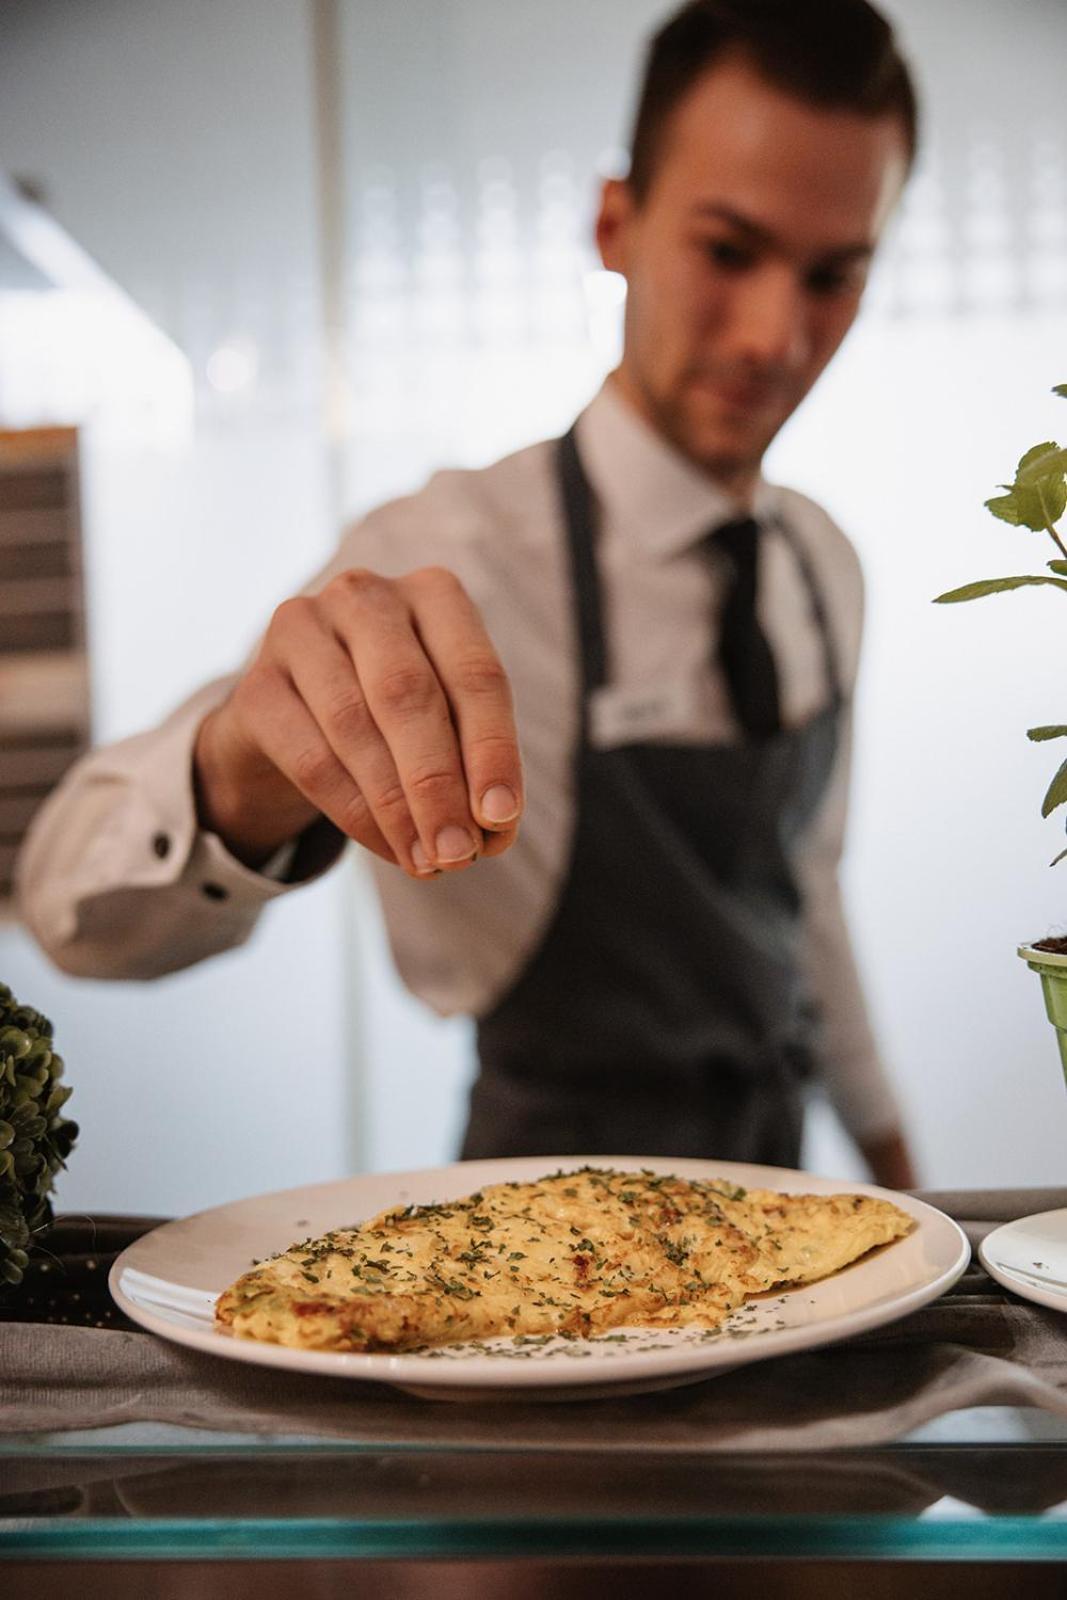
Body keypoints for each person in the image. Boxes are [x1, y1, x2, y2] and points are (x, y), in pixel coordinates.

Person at [18, 0, 919, 1186]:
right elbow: (64, 911)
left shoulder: (821, 566)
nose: (772, 334)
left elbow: (803, 897)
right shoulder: (442, 558)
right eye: (726, 250)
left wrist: (899, 1165)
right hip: (530, 1238)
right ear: (616, 223)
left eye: (831, 275)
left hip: (787, 1200)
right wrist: (237, 768)